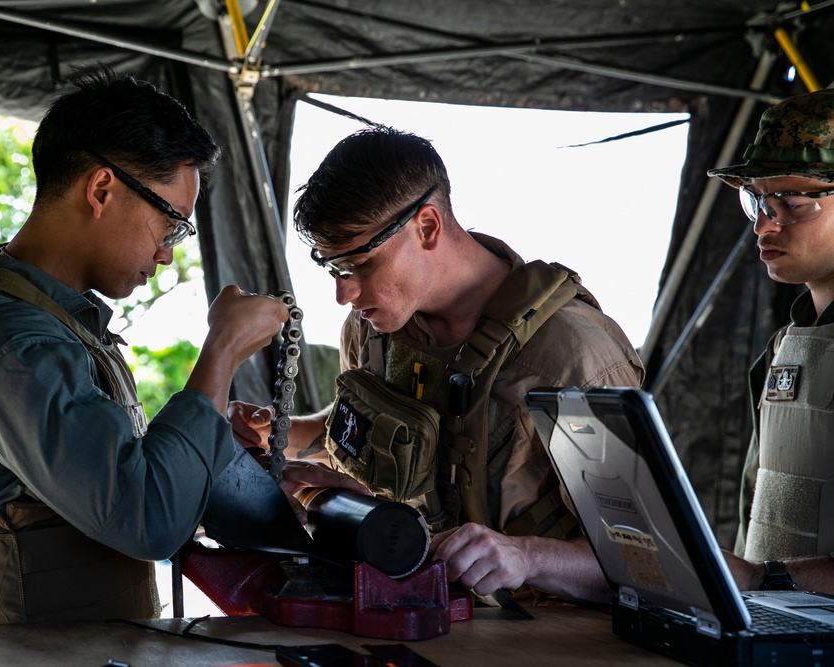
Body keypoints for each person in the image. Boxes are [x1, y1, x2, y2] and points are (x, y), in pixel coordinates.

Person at [0, 66, 350, 627]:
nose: (168, 253)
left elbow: (116, 477)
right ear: (101, 190)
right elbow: (147, 518)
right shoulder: (8, 339)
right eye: (171, 224)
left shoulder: (56, 322)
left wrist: (211, 439)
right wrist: (220, 351)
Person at [230, 126, 645, 603]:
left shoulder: (574, 359)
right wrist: (288, 434)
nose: (345, 293)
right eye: (335, 270)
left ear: (427, 227)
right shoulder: (374, 330)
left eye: (362, 265)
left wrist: (526, 556)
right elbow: (392, 429)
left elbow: (648, 562)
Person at [708, 88, 834, 593]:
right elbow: (756, 513)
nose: (764, 224)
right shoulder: (786, 347)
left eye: (794, 204)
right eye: (757, 200)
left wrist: (764, 580)